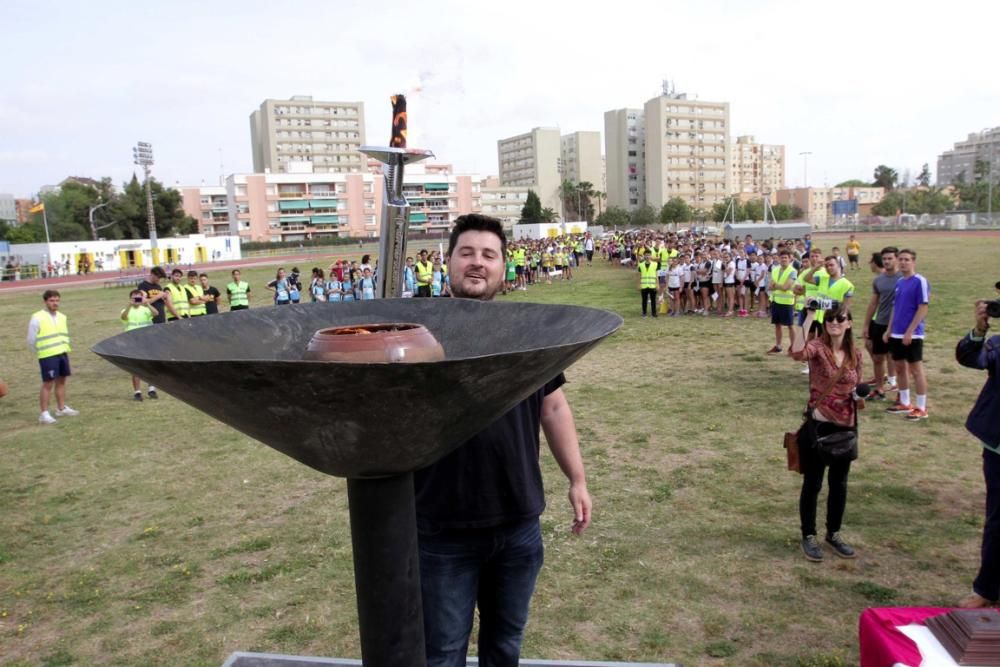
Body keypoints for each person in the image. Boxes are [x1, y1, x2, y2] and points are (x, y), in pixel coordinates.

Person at [414, 213, 591, 667]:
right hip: (441, 528)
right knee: (442, 653)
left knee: (505, 646)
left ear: (502, 266)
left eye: (488, 255)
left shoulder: (525, 332)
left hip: (517, 523)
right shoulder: (416, 334)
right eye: (467, 253)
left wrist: (577, 478)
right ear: (447, 261)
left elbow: (553, 407)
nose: (477, 263)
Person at [790, 304, 864, 562]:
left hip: (847, 426)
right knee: (813, 483)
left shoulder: (856, 353)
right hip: (819, 427)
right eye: (830, 319)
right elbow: (797, 352)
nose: (834, 322)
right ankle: (808, 536)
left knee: (839, 485)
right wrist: (810, 317)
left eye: (839, 319)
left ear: (849, 323)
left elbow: (857, 386)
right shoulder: (818, 348)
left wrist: (862, 395)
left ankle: (833, 533)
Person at [955, 298, 1000, 608]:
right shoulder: (997, 343)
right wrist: (979, 329)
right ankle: (986, 589)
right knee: (998, 520)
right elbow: (970, 357)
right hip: (998, 447)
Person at [883, 249, 931, 420]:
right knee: (899, 368)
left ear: (913, 262)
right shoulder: (900, 282)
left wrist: (910, 331)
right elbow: (895, 308)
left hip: (913, 335)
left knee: (916, 370)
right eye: (901, 259)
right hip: (896, 333)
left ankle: (921, 407)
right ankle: (904, 402)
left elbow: (923, 307)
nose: (903, 262)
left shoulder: (920, 281)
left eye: (907, 259)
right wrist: (889, 329)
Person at [27, 290, 79, 424]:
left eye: (57, 300)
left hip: (62, 353)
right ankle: (44, 414)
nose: (55, 303)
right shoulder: (37, 317)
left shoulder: (62, 316)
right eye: (52, 301)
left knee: (61, 381)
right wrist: (40, 352)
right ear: (45, 302)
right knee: (48, 384)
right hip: (47, 355)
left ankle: (61, 408)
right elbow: (31, 339)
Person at [862, 247, 900, 400]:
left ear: (896, 259)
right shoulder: (879, 280)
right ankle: (879, 389)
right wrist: (866, 325)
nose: (887, 261)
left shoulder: (903, 279)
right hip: (880, 322)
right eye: (885, 259)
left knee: (898, 359)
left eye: (890, 258)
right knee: (878, 358)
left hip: (898, 325)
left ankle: (900, 390)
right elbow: (873, 304)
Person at [120, 289, 158, 400]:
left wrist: (147, 303)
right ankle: (137, 392)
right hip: (133, 342)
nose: (136, 300)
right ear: (130, 299)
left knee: (149, 364)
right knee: (135, 367)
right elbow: (123, 317)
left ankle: (151, 388)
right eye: (134, 297)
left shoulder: (145, 309)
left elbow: (156, 313)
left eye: (138, 297)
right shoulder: (125, 310)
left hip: (146, 340)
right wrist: (129, 306)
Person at [767, 250, 798, 354]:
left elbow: (786, 287)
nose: (784, 259)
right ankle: (778, 346)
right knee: (777, 324)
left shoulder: (793, 271)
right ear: (779, 259)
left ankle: (794, 348)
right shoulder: (775, 270)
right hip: (775, 301)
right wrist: (778, 286)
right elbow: (770, 286)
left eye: (786, 257)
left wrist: (777, 286)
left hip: (787, 302)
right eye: (782, 257)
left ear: (790, 259)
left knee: (790, 325)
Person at [638, 250, 658, 318]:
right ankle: (644, 313)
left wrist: (657, 284)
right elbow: (639, 276)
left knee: (653, 300)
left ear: (651, 256)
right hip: (644, 285)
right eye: (646, 255)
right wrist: (639, 284)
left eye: (649, 255)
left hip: (652, 285)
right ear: (644, 256)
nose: (647, 256)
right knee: (644, 300)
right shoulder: (641, 265)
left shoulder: (655, 264)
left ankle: (654, 313)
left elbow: (656, 275)